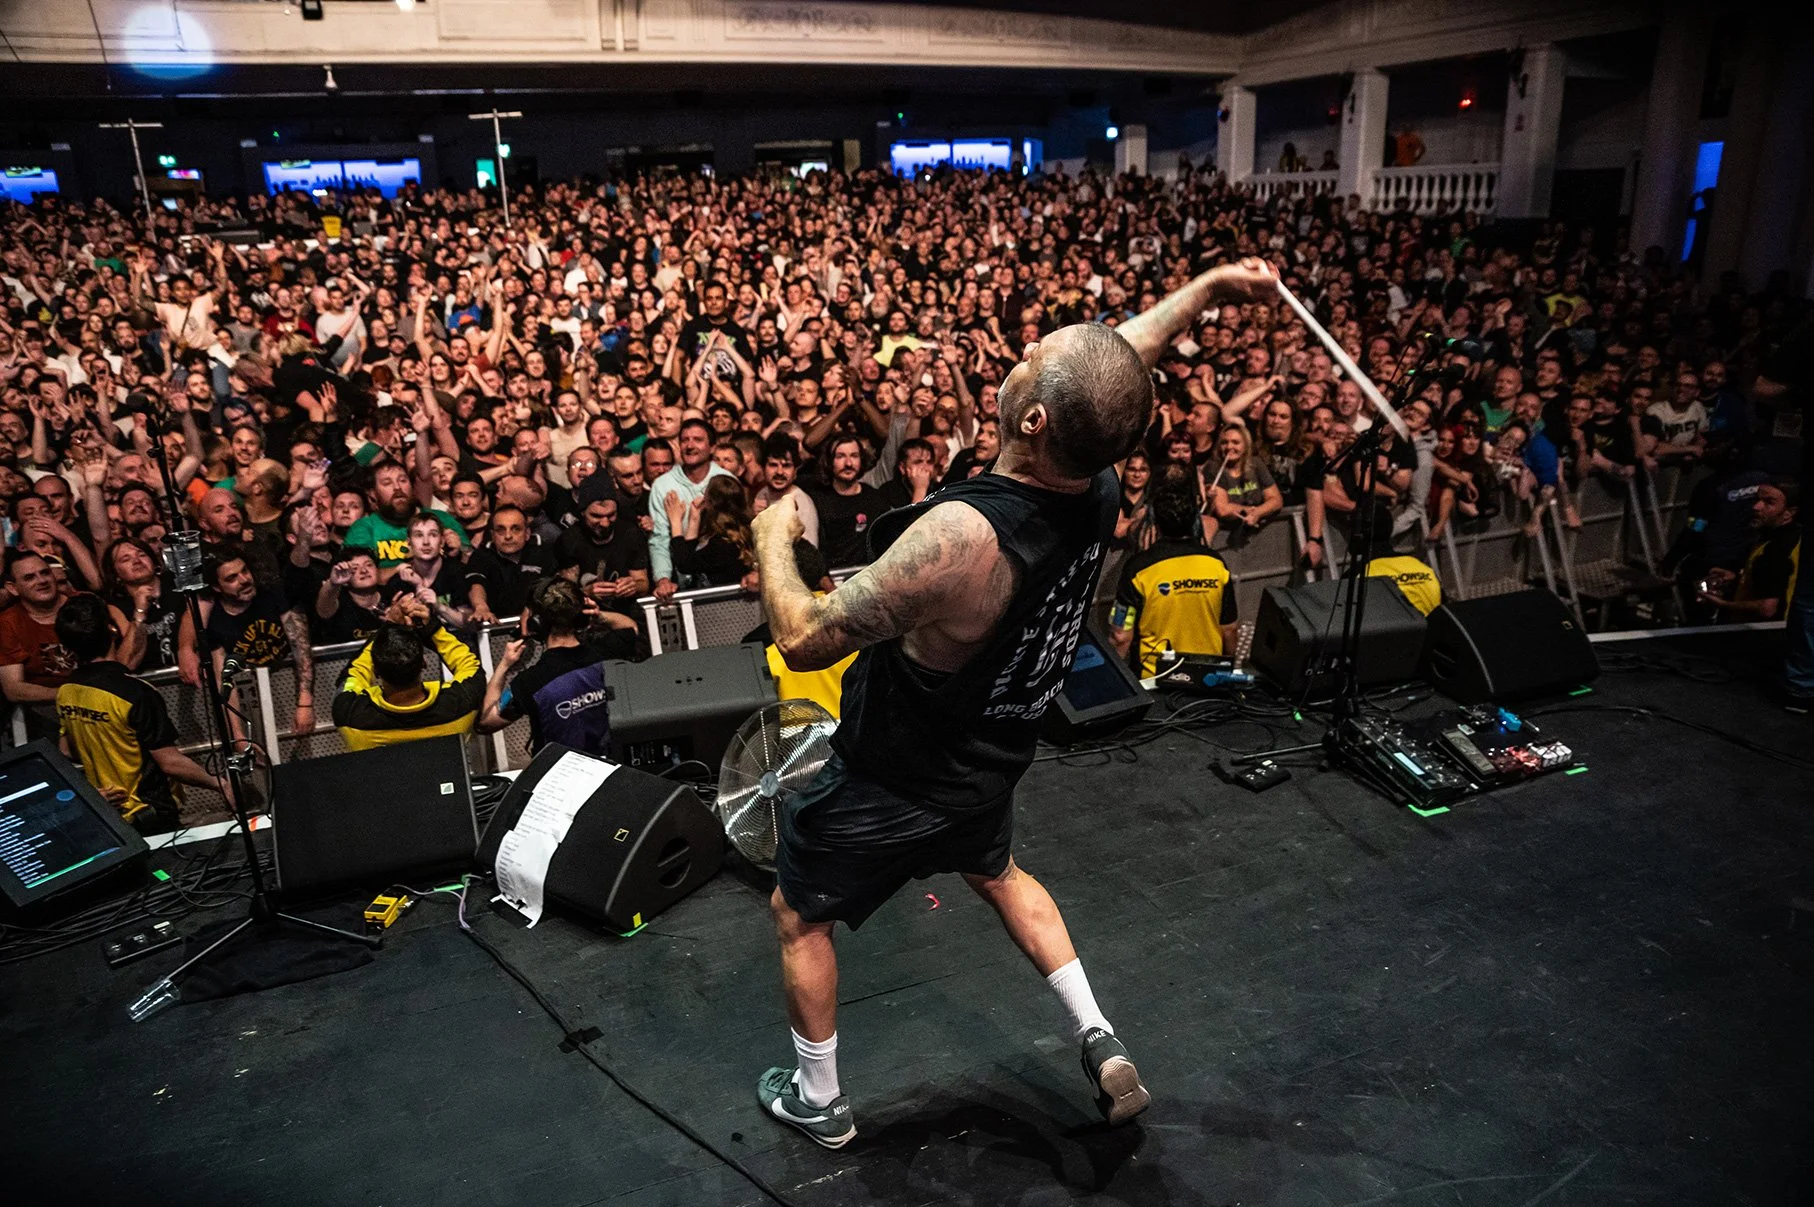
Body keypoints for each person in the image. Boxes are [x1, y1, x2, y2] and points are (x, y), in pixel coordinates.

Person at [748, 256, 1278, 1146]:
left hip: (894, 773)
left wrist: (772, 538)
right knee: (998, 874)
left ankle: (819, 1100)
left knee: (797, 914)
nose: (1023, 351)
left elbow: (803, 636)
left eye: (1033, 354)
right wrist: (1212, 288)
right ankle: (1099, 1034)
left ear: (1034, 418)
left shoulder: (965, 537)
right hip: (992, 756)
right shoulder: (1099, 471)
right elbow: (1114, 369)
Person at [54, 594, 231, 835]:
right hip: (148, 814)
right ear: (112, 630)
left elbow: (67, 750)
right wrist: (219, 783)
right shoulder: (135, 693)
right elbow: (170, 763)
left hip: (107, 815)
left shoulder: (67, 691)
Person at [478, 577, 632, 754]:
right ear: (582, 615)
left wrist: (504, 665)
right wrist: (598, 615)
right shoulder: (607, 654)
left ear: (535, 622)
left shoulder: (530, 683)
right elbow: (630, 627)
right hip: (615, 770)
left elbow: (485, 722)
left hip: (562, 775)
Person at [1111, 467, 1238, 677]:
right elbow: (1230, 629)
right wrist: (1229, 671)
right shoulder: (1216, 564)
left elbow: (1120, 635)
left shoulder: (1138, 569)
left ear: (1156, 523)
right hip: (1206, 677)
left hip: (1154, 680)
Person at [332, 594, 486, 750]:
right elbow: (470, 665)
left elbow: (353, 672)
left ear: (376, 671)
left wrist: (389, 626)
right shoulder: (461, 702)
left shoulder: (349, 712)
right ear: (424, 664)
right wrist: (431, 628)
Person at [648, 418, 736, 601]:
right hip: (680, 584)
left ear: (712, 447)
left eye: (697, 439)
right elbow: (659, 539)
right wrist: (662, 579)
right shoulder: (663, 485)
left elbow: (738, 533)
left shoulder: (724, 479)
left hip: (723, 582)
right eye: (685, 440)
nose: (690, 445)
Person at [1697, 479, 1800, 624]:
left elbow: (1767, 608)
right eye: (1757, 500)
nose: (1756, 507)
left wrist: (1724, 605)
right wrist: (1739, 579)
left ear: (1788, 513)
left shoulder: (1778, 548)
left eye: (1768, 502)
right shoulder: (1767, 540)